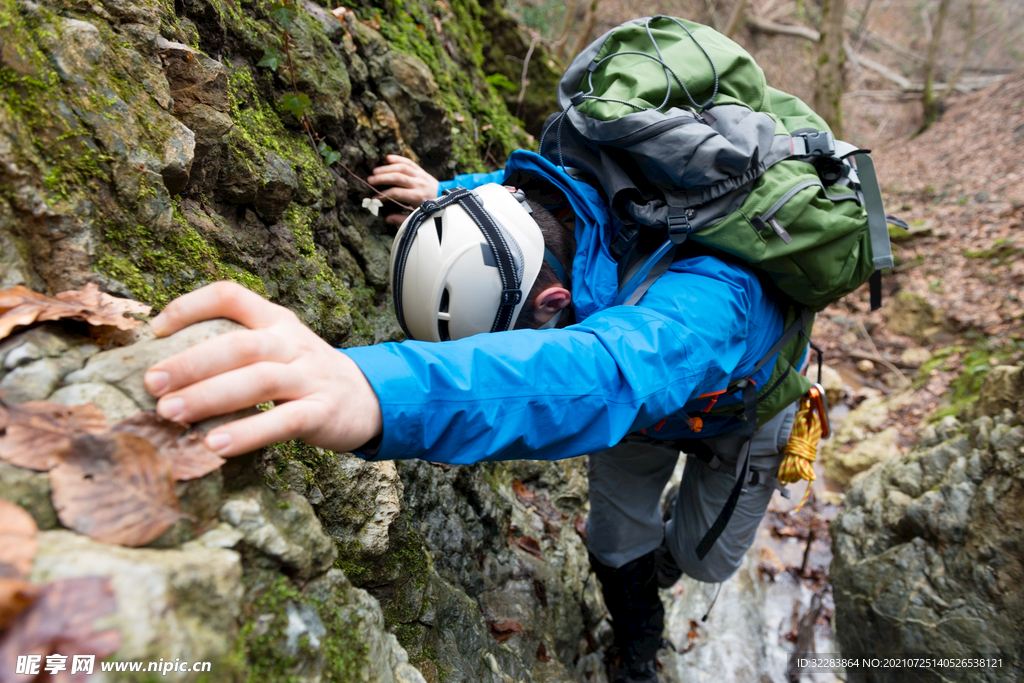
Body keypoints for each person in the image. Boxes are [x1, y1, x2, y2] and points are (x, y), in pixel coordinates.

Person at [143, 151, 798, 683]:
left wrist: (375, 387)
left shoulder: (715, 293)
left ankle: (672, 548)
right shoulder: (565, 192)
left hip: (735, 417)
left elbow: (605, 373)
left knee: (701, 557)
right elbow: (514, 189)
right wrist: (445, 195)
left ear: (553, 302)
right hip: (639, 416)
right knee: (615, 541)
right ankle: (638, 647)